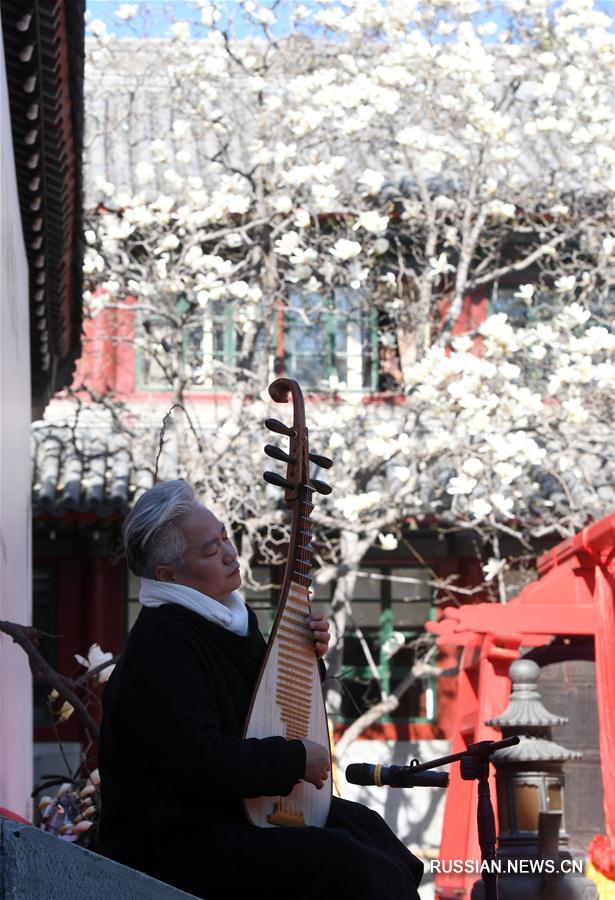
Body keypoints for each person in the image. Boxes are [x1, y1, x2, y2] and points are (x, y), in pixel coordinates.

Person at [98, 480, 423, 899]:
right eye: (211, 551)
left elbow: (259, 704)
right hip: (177, 840)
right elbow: (204, 761)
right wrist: (294, 759)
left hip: (231, 813)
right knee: (343, 860)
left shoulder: (224, 619)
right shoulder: (160, 644)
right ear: (167, 575)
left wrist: (307, 659)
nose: (231, 554)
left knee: (368, 830)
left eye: (224, 538)